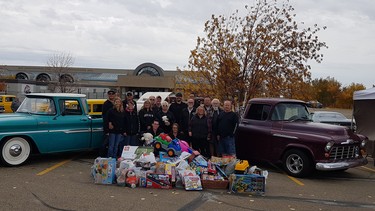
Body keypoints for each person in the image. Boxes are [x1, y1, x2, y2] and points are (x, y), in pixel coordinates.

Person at [100, 89, 117, 157]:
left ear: (115, 95)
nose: (111, 95)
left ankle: (111, 157)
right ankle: (102, 156)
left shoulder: (116, 104)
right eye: (110, 94)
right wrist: (108, 124)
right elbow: (104, 115)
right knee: (105, 143)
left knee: (113, 144)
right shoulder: (106, 104)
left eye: (112, 94)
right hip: (108, 127)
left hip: (115, 127)